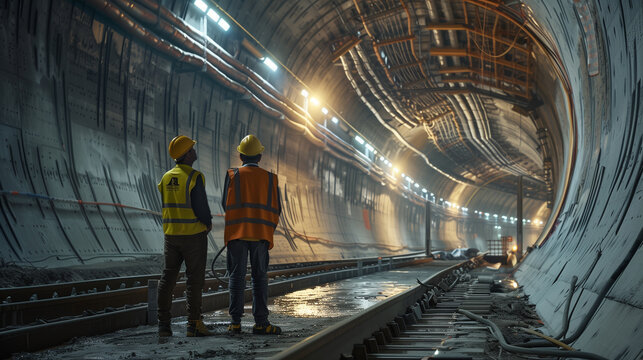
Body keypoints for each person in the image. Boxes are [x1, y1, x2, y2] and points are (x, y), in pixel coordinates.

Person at [222, 135, 282, 335]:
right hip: (261, 236)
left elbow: (225, 203)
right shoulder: (270, 178)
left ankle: (235, 323)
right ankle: (261, 323)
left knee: (236, 278)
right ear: (260, 156)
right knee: (259, 279)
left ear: (240, 155)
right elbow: (277, 209)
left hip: (237, 235)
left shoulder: (232, 175)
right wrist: (266, 228)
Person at [157, 135, 213, 337]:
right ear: (187, 154)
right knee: (194, 281)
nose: (195, 151)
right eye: (192, 149)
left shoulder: (165, 177)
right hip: (193, 236)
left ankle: (163, 325)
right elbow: (201, 208)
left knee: (168, 278)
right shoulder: (194, 177)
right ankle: (194, 324)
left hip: (171, 236)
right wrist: (208, 222)